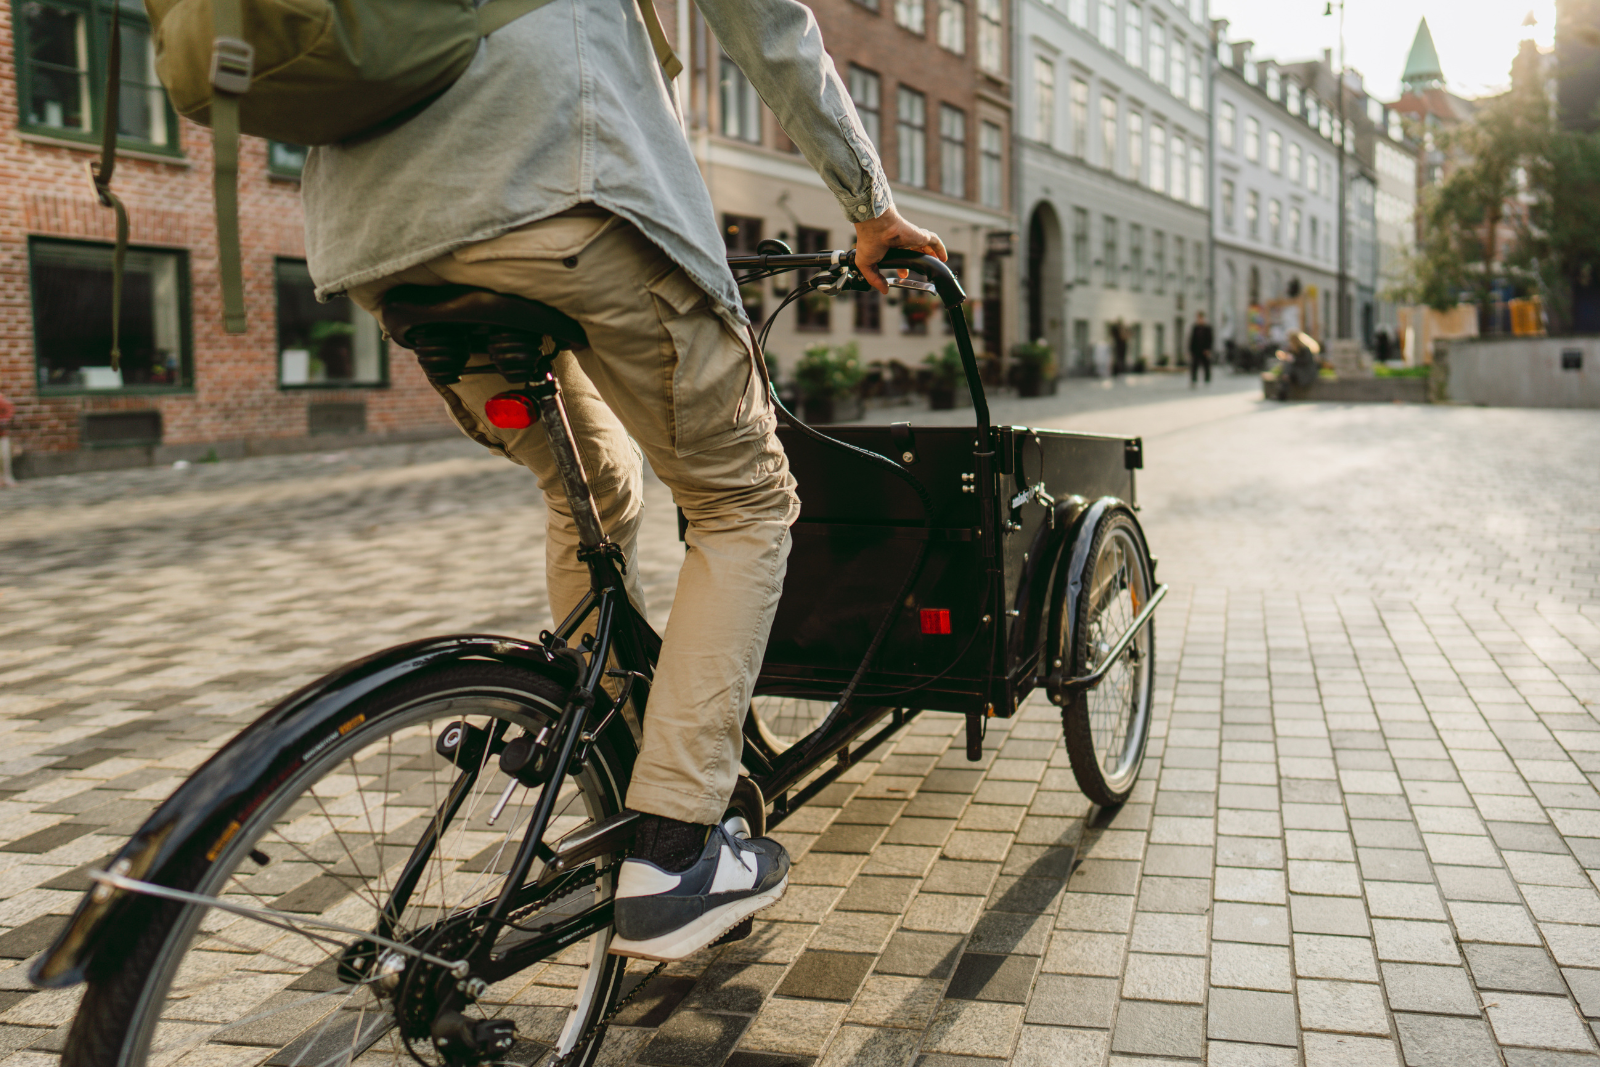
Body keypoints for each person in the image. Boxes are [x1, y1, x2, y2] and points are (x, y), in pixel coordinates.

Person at [300, 0, 945, 961]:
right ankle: (676, 847)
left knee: (588, 491)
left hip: (380, 235)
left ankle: (615, 749)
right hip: (566, 191)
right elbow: (768, 25)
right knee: (744, 500)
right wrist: (869, 204)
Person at [1187, 312, 1214, 386]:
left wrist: (1208, 349)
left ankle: (1207, 380)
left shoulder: (1207, 328)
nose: (1199, 320)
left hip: (1205, 350)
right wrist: (1190, 350)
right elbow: (1192, 339)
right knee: (1194, 366)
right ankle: (1194, 380)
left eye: (1200, 318)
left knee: (1206, 366)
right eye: (1198, 318)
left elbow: (1210, 339)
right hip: (1196, 350)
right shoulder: (1195, 327)